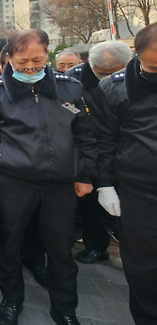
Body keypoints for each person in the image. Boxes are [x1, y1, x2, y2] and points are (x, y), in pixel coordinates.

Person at [0, 29, 97, 325]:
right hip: (13, 182)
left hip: (60, 184)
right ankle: (12, 300)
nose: (30, 66)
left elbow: (86, 136)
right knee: (9, 245)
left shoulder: (71, 89)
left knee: (60, 249)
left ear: (48, 55)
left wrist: (86, 175)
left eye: (37, 60)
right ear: (9, 58)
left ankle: (64, 308)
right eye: (22, 60)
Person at [94, 24, 157, 325]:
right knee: (143, 268)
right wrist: (105, 184)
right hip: (139, 191)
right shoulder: (114, 88)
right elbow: (105, 140)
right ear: (137, 55)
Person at [65, 41, 132, 265]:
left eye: (117, 72)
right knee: (92, 204)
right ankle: (96, 246)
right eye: (103, 73)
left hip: (126, 148)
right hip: (91, 146)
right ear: (90, 64)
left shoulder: (138, 76)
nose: (110, 78)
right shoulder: (74, 80)